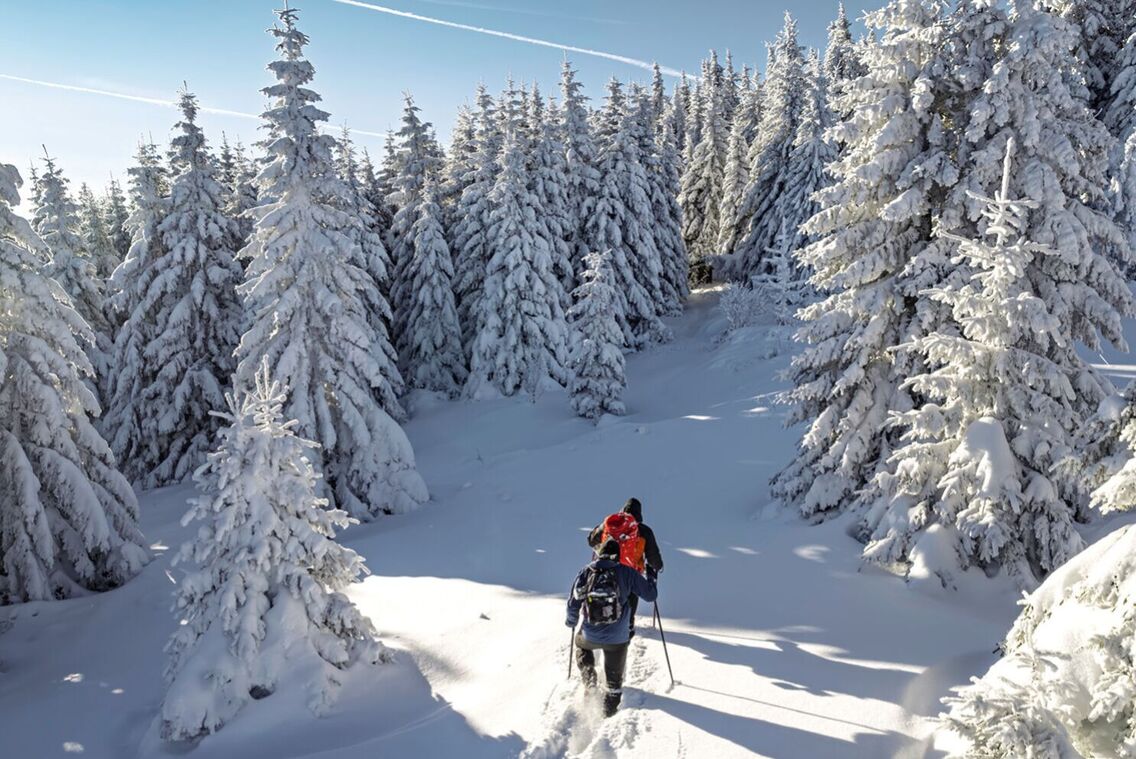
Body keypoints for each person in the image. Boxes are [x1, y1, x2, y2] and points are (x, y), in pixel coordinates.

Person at [566, 537, 658, 717]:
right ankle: (607, 719)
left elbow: (573, 603)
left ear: (599, 554)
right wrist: (652, 576)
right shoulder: (627, 572)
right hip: (618, 639)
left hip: (589, 635)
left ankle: (589, 681)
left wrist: (571, 621)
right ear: (618, 555)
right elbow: (650, 595)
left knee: (581, 645)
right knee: (614, 687)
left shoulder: (586, 571)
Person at [587, 497, 663, 638]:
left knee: (607, 594)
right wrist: (657, 567)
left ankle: (602, 620)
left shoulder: (609, 525)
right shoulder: (644, 531)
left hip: (606, 568)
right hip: (631, 573)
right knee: (629, 601)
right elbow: (653, 556)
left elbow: (591, 541)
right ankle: (627, 627)